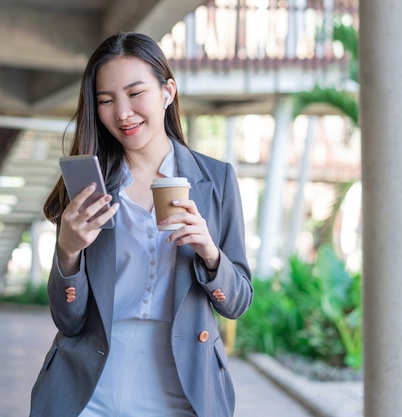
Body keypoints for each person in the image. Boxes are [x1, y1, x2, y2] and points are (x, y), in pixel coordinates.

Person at [30, 32, 253, 417]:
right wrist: (67, 251)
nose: (123, 113)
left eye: (136, 94)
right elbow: (68, 319)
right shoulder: (88, 185)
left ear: (168, 91)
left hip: (183, 381)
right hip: (89, 383)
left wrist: (210, 254)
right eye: (106, 100)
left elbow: (238, 303)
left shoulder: (215, 180)